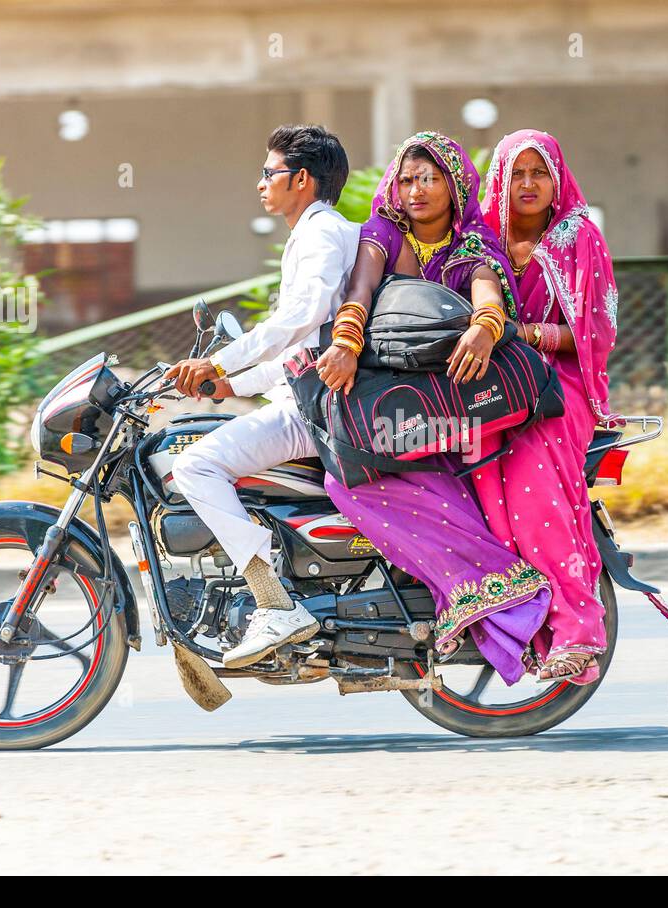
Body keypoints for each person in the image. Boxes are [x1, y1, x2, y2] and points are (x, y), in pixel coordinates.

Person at [312, 131, 551, 687]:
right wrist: (345, 343)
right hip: (384, 389)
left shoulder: (472, 243)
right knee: (341, 477)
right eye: (407, 178)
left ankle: (496, 590)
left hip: (449, 398)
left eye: (430, 178)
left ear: (455, 184)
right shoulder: (384, 234)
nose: (416, 189)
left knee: (352, 482)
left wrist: (484, 329)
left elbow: (489, 291)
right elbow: (361, 290)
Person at [168, 124, 360, 669]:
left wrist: (220, 361)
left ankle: (273, 603)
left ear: (302, 179)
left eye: (269, 172)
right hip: (312, 394)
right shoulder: (316, 233)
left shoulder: (320, 233)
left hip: (318, 407)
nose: (260, 183)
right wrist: (231, 385)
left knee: (197, 467)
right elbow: (301, 349)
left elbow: (300, 319)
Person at [471, 129, 626, 685]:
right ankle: (531, 631)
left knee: (532, 482)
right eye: (517, 173)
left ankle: (579, 628)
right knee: (481, 485)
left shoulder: (577, 236)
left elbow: (598, 332)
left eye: (539, 173)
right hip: (492, 389)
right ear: (500, 180)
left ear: (557, 178)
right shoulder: (482, 240)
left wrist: (527, 335)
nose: (528, 184)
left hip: (557, 390)